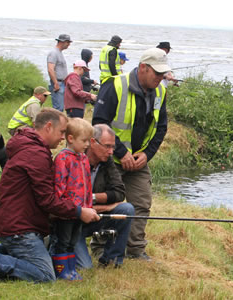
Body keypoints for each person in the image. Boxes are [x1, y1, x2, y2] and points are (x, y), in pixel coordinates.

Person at [0, 108, 99, 283]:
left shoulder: (33, 147)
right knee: (45, 275)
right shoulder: (35, 154)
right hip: (19, 229)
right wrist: (78, 212)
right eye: (61, 132)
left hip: (17, 223)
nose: (63, 137)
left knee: (44, 259)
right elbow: (48, 200)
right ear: (48, 127)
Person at [92, 48, 170, 261]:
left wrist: (147, 154)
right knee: (108, 202)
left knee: (142, 204)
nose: (160, 78)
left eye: (163, 74)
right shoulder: (115, 85)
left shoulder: (161, 92)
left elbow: (161, 128)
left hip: (139, 160)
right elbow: (99, 123)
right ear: (143, 67)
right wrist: (120, 152)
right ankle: (99, 248)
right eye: (157, 73)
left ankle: (136, 250)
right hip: (109, 159)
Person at [74, 124, 134, 269]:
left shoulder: (107, 161)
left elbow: (119, 193)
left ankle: (111, 260)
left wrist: (92, 199)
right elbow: (73, 201)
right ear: (93, 143)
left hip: (95, 215)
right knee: (85, 268)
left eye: (113, 147)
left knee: (127, 209)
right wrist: (102, 205)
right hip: (72, 222)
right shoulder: (74, 159)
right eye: (107, 146)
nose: (111, 151)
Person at [51, 117, 94, 280]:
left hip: (81, 210)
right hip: (66, 211)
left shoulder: (83, 158)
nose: (87, 145)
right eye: (84, 141)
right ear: (70, 138)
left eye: (88, 141)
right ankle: (62, 271)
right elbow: (59, 184)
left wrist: (88, 205)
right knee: (63, 241)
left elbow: (88, 184)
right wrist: (61, 206)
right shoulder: (63, 158)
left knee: (73, 240)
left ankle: (71, 270)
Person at [47, 34, 72, 112]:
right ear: (62, 42)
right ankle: (54, 123)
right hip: (58, 83)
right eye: (68, 42)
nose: (69, 44)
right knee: (58, 109)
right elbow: (50, 69)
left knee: (60, 108)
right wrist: (55, 83)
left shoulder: (59, 53)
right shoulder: (53, 53)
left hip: (62, 83)